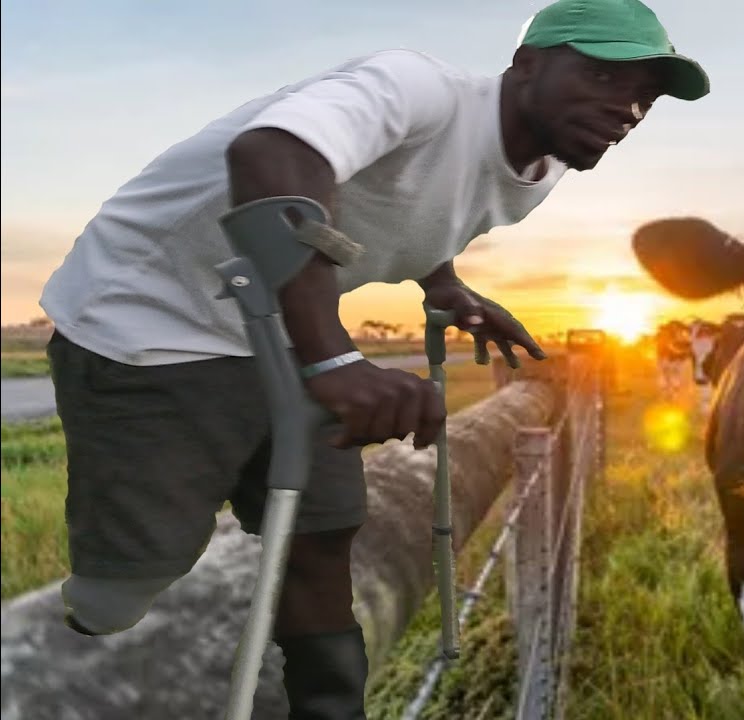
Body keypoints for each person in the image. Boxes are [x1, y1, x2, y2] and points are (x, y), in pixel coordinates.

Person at [36, 0, 709, 716]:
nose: (628, 108)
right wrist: (333, 360)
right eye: (607, 77)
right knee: (132, 585)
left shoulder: (546, 166)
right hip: (154, 314)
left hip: (283, 323)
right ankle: (55, 664)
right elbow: (271, 156)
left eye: (645, 96)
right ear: (528, 65)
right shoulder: (416, 88)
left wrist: (446, 286)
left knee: (325, 535)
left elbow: (421, 206)